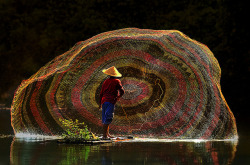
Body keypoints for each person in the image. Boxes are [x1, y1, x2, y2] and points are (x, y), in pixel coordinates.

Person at [99, 66, 125, 139]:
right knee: (108, 117)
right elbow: (122, 91)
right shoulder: (117, 81)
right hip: (110, 101)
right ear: (115, 75)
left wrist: (99, 103)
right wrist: (119, 97)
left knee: (105, 117)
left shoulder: (105, 81)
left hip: (104, 101)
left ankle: (107, 134)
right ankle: (104, 136)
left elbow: (101, 93)